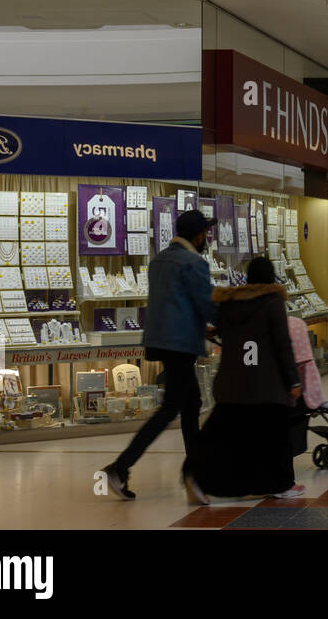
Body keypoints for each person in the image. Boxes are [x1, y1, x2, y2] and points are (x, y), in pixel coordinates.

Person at [103, 210, 215, 501]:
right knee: (171, 408)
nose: (207, 239)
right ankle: (120, 468)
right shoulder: (194, 263)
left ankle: (195, 476)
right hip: (181, 344)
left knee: (192, 406)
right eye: (206, 234)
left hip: (161, 342)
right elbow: (207, 305)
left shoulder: (158, 260)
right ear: (199, 236)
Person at [183, 256, 303, 504]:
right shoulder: (272, 302)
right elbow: (282, 345)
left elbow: (225, 334)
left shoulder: (230, 304)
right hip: (265, 385)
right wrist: (293, 381)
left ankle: (195, 475)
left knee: (223, 434)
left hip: (231, 383)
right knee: (276, 433)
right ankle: (280, 484)